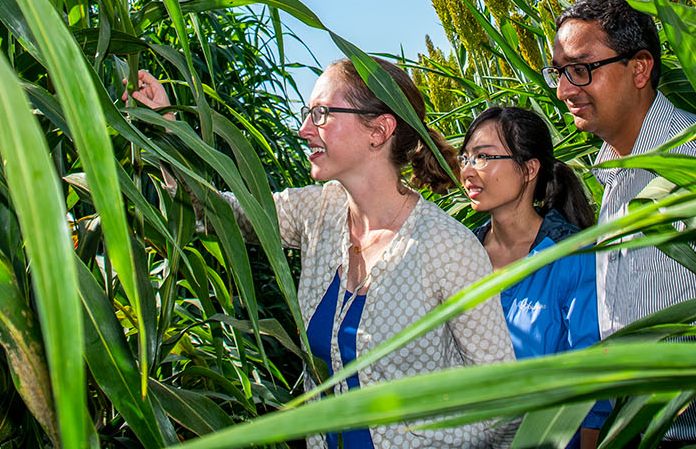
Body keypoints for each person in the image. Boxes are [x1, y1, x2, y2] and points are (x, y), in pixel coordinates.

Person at [128, 59, 515, 449]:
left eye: (321, 114)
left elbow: (505, 398)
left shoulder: (447, 248)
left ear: (378, 131)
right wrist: (168, 126)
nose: (304, 130)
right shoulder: (317, 214)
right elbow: (216, 213)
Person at [549, 0, 696, 445]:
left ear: (638, 69)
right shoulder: (615, 176)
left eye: (580, 70)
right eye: (559, 73)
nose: (563, 91)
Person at [460, 105, 611, 449]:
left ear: (528, 169)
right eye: (464, 158)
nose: (468, 171)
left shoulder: (572, 256)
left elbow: (592, 389)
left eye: (482, 157)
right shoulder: (461, 254)